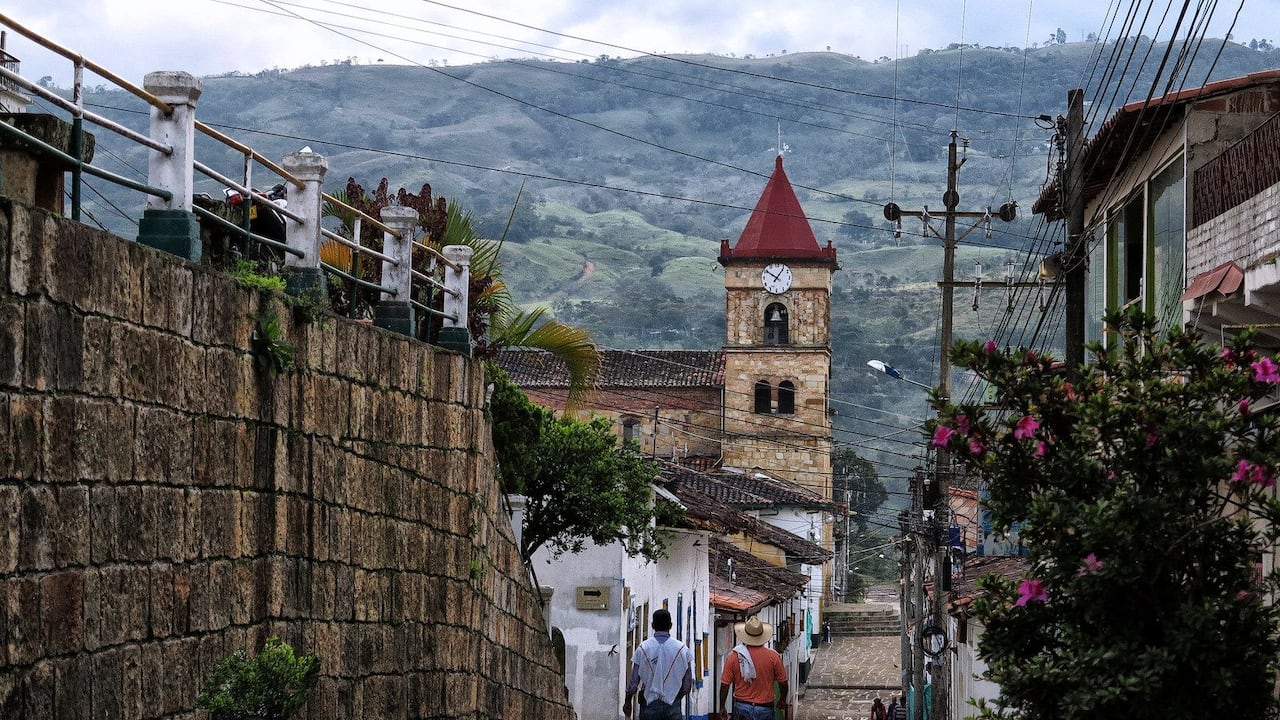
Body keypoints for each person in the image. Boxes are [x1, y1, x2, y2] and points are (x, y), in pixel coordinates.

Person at [623, 608, 695, 720]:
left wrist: (628, 701)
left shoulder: (643, 648)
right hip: (672, 704)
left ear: (652, 625)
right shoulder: (682, 650)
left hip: (649, 704)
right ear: (670, 625)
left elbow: (633, 683)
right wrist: (675, 697)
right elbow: (687, 685)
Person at [716, 615, 790, 720]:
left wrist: (722, 706)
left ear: (745, 635)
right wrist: (782, 699)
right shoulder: (774, 657)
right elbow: (783, 683)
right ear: (761, 636)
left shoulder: (734, 656)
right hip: (765, 709)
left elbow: (725, 685)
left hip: (742, 707)